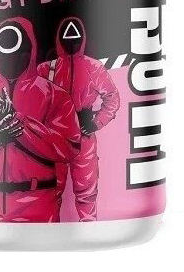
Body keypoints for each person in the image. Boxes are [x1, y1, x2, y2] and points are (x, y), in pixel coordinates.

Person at [0, 17, 81, 222]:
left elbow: (69, 147)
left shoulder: (54, 96)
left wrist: (18, 124)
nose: (10, 60)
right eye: (3, 54)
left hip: (40, 204)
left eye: (18, 53)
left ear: (30, 51)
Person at [37, 16, 120, 220]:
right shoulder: (47, 69)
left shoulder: (94, 68)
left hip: (83, 137)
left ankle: (89, 227)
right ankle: (49, 229)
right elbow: (31, 100)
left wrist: (96, 122)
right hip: (55, 138)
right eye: (67, 38)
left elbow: (112, 97)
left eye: (75, 37)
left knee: (87, 191)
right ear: (59, 39)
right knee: (51, 190)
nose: (71, 42)